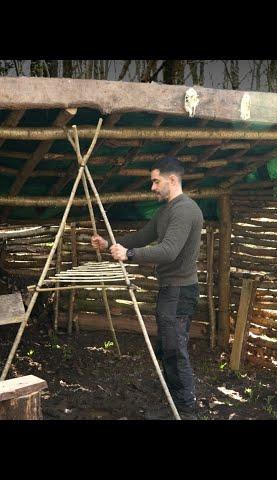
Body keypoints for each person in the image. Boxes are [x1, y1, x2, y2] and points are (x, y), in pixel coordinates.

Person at [91, 157, 204, 420]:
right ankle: (174, 397)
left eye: (156, 181)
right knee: (167, 345)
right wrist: (110, 243)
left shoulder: (185, 210)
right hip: (170, 289)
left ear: (172, 180)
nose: (152, 187)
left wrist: (129, 254)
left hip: (180, 291)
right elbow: (142, 237)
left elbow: (168, 251)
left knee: (175, 349)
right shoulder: (166, 210)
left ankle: (186, 410)